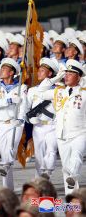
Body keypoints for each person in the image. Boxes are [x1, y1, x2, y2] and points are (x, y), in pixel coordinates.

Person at [37, 59, 86, 195]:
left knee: (76, 156)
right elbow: (40, 91)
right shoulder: (59, 92)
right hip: (62, 134)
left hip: (80, 133)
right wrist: (55, 78)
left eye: (71, 73)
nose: (67, 76)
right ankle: (71, 196)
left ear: (79, 76)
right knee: (66, 167)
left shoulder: (84, 93)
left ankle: (74, 174)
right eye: (66, 73)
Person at [0, 58, 27, 190]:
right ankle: (8, 187)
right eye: (1, 69)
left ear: (12, 72)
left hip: (15, 123)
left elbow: (24, 106)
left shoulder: (21, 87)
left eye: (5, 69)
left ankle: (5, 164)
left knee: (11, 148)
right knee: (5, 153)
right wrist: (10, 100)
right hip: (0, 123)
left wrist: (21, 120)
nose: (1, 71)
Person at [27, 57, 59, 179]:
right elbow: (26, 109)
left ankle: (48, 173)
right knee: (39, 156)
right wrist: (29, 120)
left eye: (42, 70)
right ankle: (39, 180)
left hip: (52, 125)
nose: (39, 72)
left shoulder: (58, 90)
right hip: (38, 126)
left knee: (51, 150)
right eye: (39, 70)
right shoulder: (32, 91)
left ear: (50, 74)